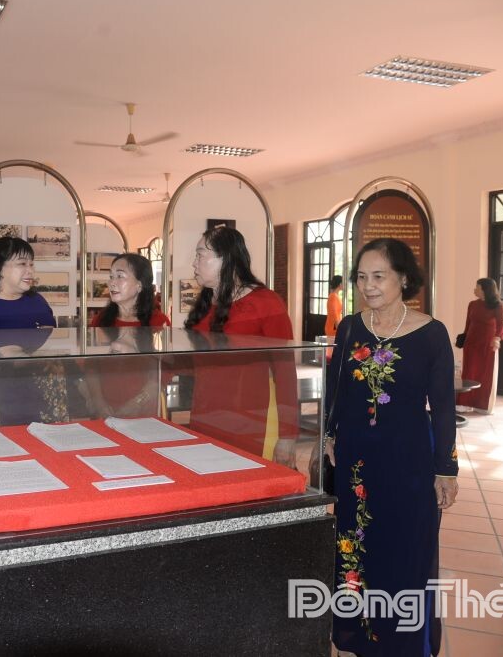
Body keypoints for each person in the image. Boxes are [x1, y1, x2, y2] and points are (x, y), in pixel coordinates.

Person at [325, 238, 457, 656]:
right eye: (362, 277)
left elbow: (444, 407)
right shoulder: (350, 328)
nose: (369, 285)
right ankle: (360, 635)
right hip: (356, 463)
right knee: (357, 546)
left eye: (379, 276)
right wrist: (327, 435)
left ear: (403, 278)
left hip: (408, 462)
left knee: (406, 549)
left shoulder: (432, 334)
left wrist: (446, 468)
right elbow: (335, 388)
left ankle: (403, 642)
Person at [184, 226, 298, 466]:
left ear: (226, 258)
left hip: (252, 421)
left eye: (200, 254)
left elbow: (285, 372)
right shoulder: (205, 304)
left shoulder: (265, 303)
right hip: (205, 416)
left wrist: (288, 435)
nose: (194, 263)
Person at [0, 237, 61, 425]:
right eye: (22, 264)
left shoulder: (37, 303)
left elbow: (50, 346)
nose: (30, 270)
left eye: (31, 264)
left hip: (40, 394)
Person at [87, 253, 170, 417]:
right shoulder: (101, 320)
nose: (112, 283)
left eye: (120, 276)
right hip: (105, 410)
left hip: (143, 411)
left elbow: (163, 372)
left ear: (139, 285)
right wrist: (99, 402)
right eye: (111, 277)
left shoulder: (158, 321)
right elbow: (91, 366)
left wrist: (136, 403)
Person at [456, 278, 503, 413]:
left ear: (485, 290)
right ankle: (465, 403)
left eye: (477, 287)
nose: (474, 289)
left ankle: (482, 405)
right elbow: (468, 324)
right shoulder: (472, 304)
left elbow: (501, 324)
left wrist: (497, 339)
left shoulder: (497, 306)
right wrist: (463, 339)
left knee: (485, 374)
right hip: (471, 344)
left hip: (488, 345)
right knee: (469, 372)